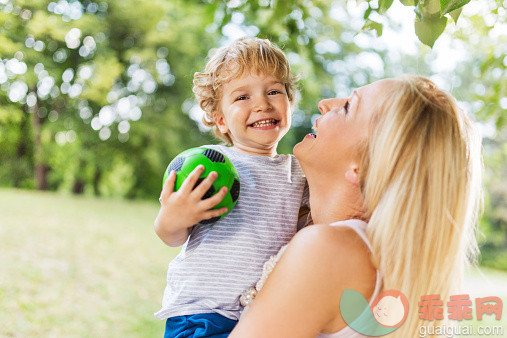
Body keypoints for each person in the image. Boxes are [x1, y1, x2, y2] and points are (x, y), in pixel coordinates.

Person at [230, 75, 482, 337]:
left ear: (363, 167)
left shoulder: (327, 251)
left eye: (349, 107)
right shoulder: (381, 264)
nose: (325, 103)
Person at [154, 37, 310, 337]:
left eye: (274, 91)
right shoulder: (206, 166)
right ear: (220, 119)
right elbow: (169, 236)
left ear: (289, 103)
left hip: (261, 315)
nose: (262, 104)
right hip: (201, 313)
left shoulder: (300, 172)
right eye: (243, 97)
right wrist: (173, 218)